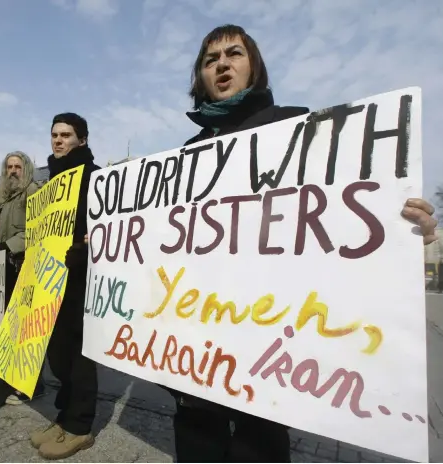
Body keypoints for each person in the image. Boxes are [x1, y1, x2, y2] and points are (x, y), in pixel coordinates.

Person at [166, 24, 439, 463]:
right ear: (199, 77)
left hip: (271, 327)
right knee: (197, 431)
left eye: (234, 54)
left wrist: (406, 231)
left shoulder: (298, 128)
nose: (221, 64)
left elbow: (339, 217)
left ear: (254, 67)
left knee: (260, 437)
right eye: (209, 59)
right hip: (200, 322)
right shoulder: (187, 154)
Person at [29, 113, 100, 460]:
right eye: (54, 134)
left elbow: (107, 225)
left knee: (79, 354)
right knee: (57, 352)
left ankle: (80, 427)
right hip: (50, 277)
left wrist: (86, 244)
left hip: (80, 276)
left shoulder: (95, 176)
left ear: (81, 140)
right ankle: (63, 416)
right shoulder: (51, 182)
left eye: (66, 135)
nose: (58, 140)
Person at [0, 151, 45, 405]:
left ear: (26, 169)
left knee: (25, 328)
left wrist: (9, 245)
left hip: (23, 267)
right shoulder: (7, 198)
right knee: (9, 326)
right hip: (6, 267)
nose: (13, 171)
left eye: (17, 166)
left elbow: (38, 228)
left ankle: (31, 385)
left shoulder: (32, 192)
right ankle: (12, 376)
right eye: (9, 166)